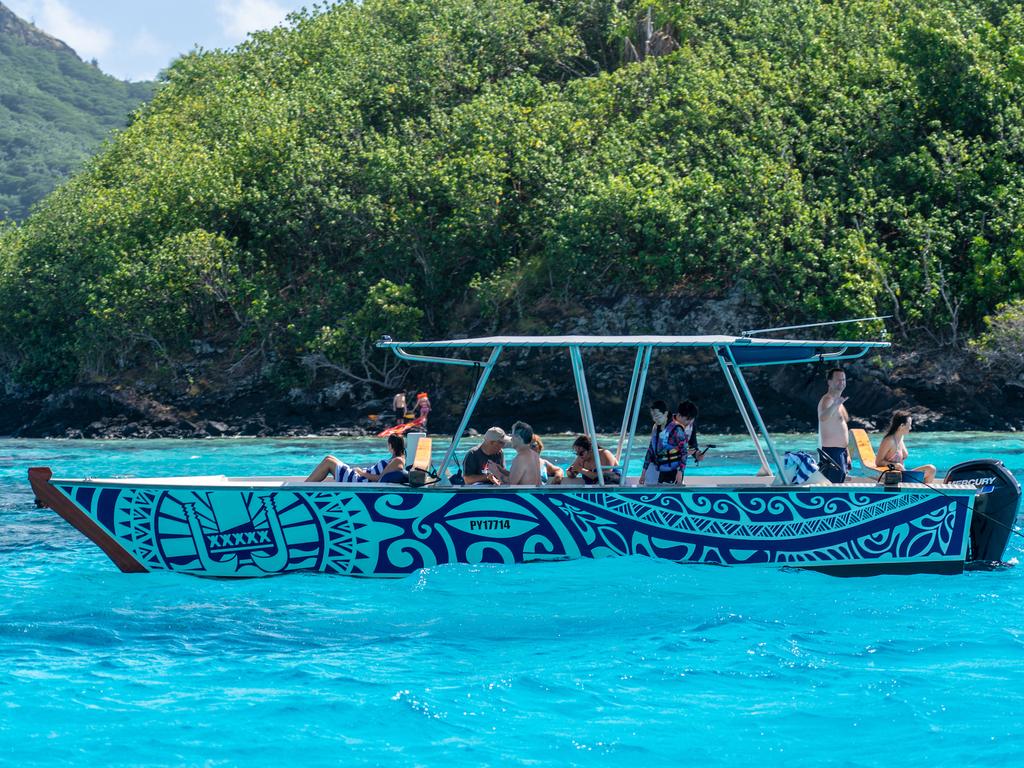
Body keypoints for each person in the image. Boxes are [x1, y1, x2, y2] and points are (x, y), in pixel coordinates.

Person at [640, 400, 700, 485]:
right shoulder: (661, 425)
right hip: (658, 466)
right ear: (679, 415)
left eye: (691, 420)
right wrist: (644, 472)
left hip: (674, 469)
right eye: (687, 420)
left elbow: (691, 446)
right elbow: (652, 448)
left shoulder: (687, 427)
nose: (689, 423)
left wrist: (696, 454)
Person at [306, 435, 407, 483]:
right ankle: (304, 486)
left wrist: (361, 473)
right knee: (329, 458)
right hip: (359, 478)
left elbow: (381, 478)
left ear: (391, 445)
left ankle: (302, 488)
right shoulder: (395, 459)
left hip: (358, 480)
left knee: (328, 461)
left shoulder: (398, 460)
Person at [875, 411, 937, 483]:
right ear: (902, 426)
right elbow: (878, 462)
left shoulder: (901, 437)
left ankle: (924, 493)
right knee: (931, 469)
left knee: (931, 469)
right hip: (895, 478)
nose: (910, 428)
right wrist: (895, 465)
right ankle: (923, 493)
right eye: (909, 425)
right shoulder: (889, 441)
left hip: (904, 475)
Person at [818, 368, 852, 483]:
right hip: (832, 452)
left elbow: (842, 428)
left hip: (841, 452)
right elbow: (822, 417)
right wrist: (834, 405)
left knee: (839, 483)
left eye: (843, 380)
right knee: (833, 486)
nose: (841, 382)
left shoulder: (838, 401)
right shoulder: (827, 400)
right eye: (838, 380)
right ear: (829, 382)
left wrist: (847, 452)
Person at [508, 421, 542, 485]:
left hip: (525, 494)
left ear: (519, 438)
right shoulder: (535, 455)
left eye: (512, 436)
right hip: (534, 493)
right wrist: (501, 471)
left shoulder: (520, 458)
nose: (511, 439)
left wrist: (496, 472)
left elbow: (510, 486)